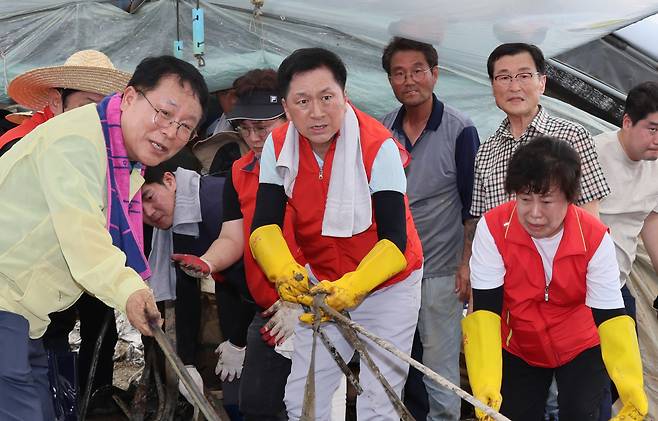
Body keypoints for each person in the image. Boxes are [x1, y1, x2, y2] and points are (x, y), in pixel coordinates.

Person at [0, 54, 208, 421]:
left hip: (27, 315)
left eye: (185, 126)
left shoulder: (122, 162)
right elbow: (84, 237)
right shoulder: (75, 142)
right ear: (129, 99)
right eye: (164, 113)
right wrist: (128, 289)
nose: (170, 132)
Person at [247, 47, 423, 420]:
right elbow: (265, 225)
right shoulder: (277, 147)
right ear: (286, 106)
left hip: (388, 285)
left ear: (345, 97)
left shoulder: (379, 147)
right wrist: (282, 271)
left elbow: (395, 241)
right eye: (303, 101)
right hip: (321, 281)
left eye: (327, 98)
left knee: (381, 401)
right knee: (304, 397)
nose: (317, 112)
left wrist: (356, 286)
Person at [464, 136, 648, 421]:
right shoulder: (493, 228)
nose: (534, 213)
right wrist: (485, 380)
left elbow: (610, 314)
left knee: (580, 412)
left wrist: (631, 386)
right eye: (525, 199)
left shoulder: (594, 237)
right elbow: (486, 309)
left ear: (570, 198)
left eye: (547, 201)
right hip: (519, 342)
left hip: (581, 342)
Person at [172, 68, 299, 421]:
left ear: (289, 116)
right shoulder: (241, 172)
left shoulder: (311, 165)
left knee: (307, 402)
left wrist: (304, 298)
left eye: (263, 127)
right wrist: (208, 263)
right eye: (244, 128)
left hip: (315, 301)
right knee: (256, 405)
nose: (254, 137)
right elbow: (234, 237)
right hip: (268, 307)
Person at [381, 37, 480, 421]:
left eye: (418, 71)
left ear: (435, 75)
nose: (409, 80)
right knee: (395, 364)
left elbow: (473, 204)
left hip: (440, 272)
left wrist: (466, 263)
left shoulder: (460, 129)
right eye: (399, 73)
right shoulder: (383, 128)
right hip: (392, 269)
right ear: (390, 80)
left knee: (440, 372)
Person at [142, 149, 252, 419]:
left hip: (273, 297)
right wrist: (187, 363)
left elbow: (252, 276)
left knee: (264, 398)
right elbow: (186, 287)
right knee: (235, 390)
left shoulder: (213, 202)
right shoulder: (180, 219)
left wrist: (238, 340)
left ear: (169, 180)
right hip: (236, 293)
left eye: (149, 197)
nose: (149, 213)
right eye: (137, 209)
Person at [471, 43, 609, 219]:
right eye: (504, 77)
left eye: (524, 75)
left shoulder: (572, 136)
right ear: (492, 86)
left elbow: (588, 218)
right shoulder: (485, 152)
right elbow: (479, 221)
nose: (514, 87)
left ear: (542, 83)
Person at [594, 80, 658, 417]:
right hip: (577, 289)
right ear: (627, 122)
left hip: (617, 286)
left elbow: (649, 222)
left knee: (622, 379)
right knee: (587, 382)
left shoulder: (657, 165)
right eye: (653, 129)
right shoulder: (592, 154)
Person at [0, 49, 130, 157]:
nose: (99, 118)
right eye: (89, 107)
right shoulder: (21, 148)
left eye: (107, 110)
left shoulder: (96, 144)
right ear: (56, 101)